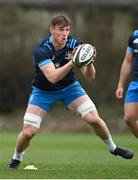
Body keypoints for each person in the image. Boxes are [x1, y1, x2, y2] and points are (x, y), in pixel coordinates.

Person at [8, 14, 134, 169]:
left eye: (67, 30)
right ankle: (16, 158)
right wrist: (73, 62)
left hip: (70, 88)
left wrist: (89, 63)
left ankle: (113, 148)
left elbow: (90, 77)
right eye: (61, 30)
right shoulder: (41, 49)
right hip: (43, 91)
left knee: (94, 119)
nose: (65, 34)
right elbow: (52, 77)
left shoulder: (75, 44)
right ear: (52, 30)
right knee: (28, 132)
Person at [116, 30, 138, 137]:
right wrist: (121, 84)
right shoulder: (134, 36)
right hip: (135, 83)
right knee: (129, 118)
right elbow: (128, 61)